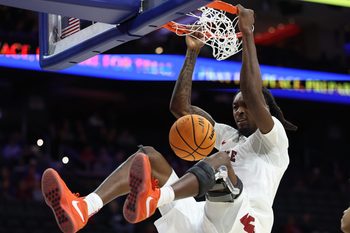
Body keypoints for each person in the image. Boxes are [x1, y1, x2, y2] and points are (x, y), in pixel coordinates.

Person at [41, 4, 296, 233]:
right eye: (235, 107)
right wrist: (192, 53)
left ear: (263, 108)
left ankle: (157, 198)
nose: (239, 111)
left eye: (245, 107)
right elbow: (181, 109)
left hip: (245, 223)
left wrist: (248, 33)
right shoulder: (229, 136)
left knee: (218, 162)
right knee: (149, 157)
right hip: (205, 221)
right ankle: (85, 207)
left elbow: (252, 92)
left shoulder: (273, 139)